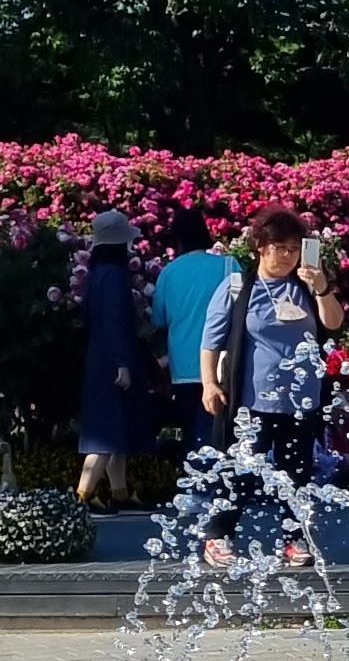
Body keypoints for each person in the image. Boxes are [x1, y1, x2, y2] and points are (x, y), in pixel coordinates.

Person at [200, 217, 345, 562]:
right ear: (261, 248)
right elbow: (211, 341)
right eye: (281, 248)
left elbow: (334, 323)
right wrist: (209, 383)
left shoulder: (306, 286)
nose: (289, 256)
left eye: (295, 249)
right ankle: (218, 536)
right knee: (240, 470)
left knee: (296, 473)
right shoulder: (238, 287)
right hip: (252, 399)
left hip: (300, 398)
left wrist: (322, 287)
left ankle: (294, 540)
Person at [74, 210, 156, 508]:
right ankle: (84, 494)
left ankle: (119, 491)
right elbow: (115, 319)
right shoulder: (115, 276)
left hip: (99, 357)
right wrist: (123, 363)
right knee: (107, 434)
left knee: (115, 429)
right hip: (115, 359)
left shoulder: (96, 274)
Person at [149, 207, 233, 453]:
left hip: (182, 367)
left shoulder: (168, 273)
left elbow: (159, 320)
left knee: (193, 436)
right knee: (219, 436)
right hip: (220, 366)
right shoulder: (228, 265)